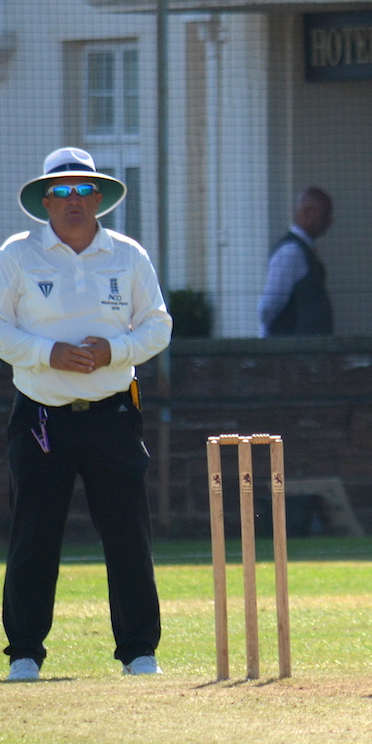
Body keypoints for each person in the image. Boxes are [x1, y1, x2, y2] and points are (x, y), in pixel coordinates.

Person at [1, 147, 172, 681]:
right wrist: (46, 352)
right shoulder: (17, 254)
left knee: (127, 533)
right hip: (41, 417)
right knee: (34, 534)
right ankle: (24, 652)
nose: (73, 199)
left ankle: (139, 651)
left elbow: (158, 325)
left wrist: (113, 351)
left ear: (98, 198)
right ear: (45, 200)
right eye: (62, 191)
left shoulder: (128, 254)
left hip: (112, 413)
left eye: (83, 190)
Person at [258, 187, 334, 336]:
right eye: (325, 215)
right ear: (306, 212)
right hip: (292, 345)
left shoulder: (305, 250)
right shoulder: (290, 252)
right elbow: (269, 305)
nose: (330, 221)